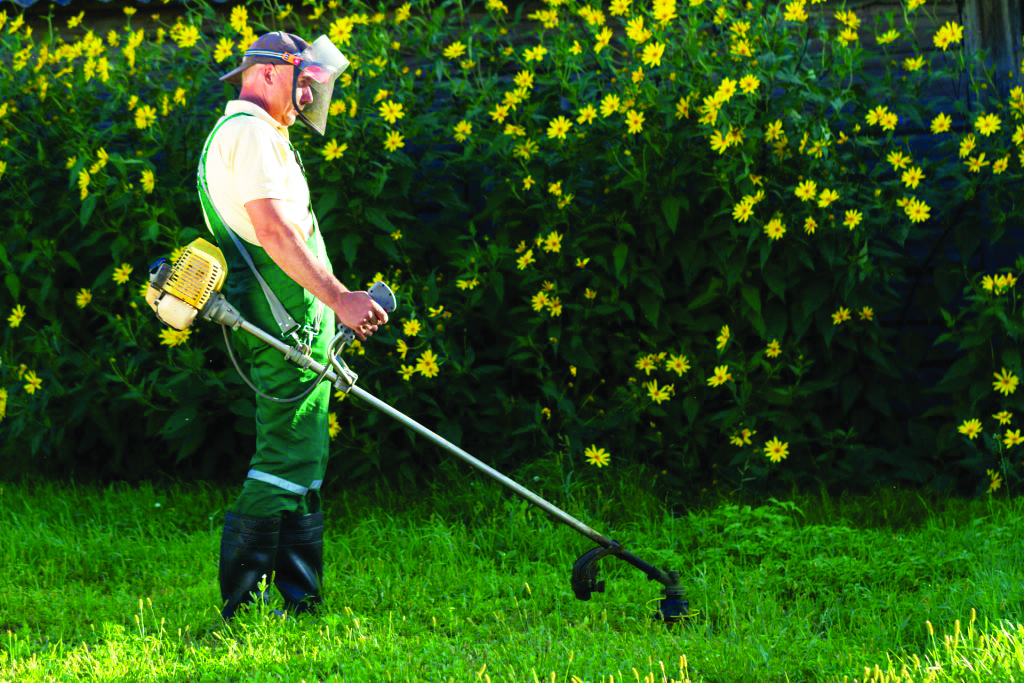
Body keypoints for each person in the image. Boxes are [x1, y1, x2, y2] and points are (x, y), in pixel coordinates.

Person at [197, 31, 389, 619]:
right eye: (304, 83)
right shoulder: (251, 133)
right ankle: (244, 609)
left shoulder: (253, 133)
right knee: (285, 456)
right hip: (283, 320)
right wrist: (341, 298)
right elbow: (277, 234)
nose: (308, 97)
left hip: (296, 318)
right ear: (269, 74)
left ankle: (299, 601)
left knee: (303, 454)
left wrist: (329, 308)